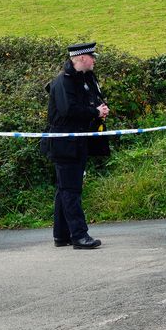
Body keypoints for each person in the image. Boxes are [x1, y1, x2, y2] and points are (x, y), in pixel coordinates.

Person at [42, 42, 110, 249]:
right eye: (92, 57)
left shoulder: (85, 79)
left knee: (65, 189)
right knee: (71, 190)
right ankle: (79, 236)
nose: (94, 60)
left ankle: (61, 235)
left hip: (78, 142)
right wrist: (95, 112)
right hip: (65, 143)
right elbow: (68, 110)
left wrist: (100, 109)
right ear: (80, 58)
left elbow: (89, 102)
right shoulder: (63, 82)